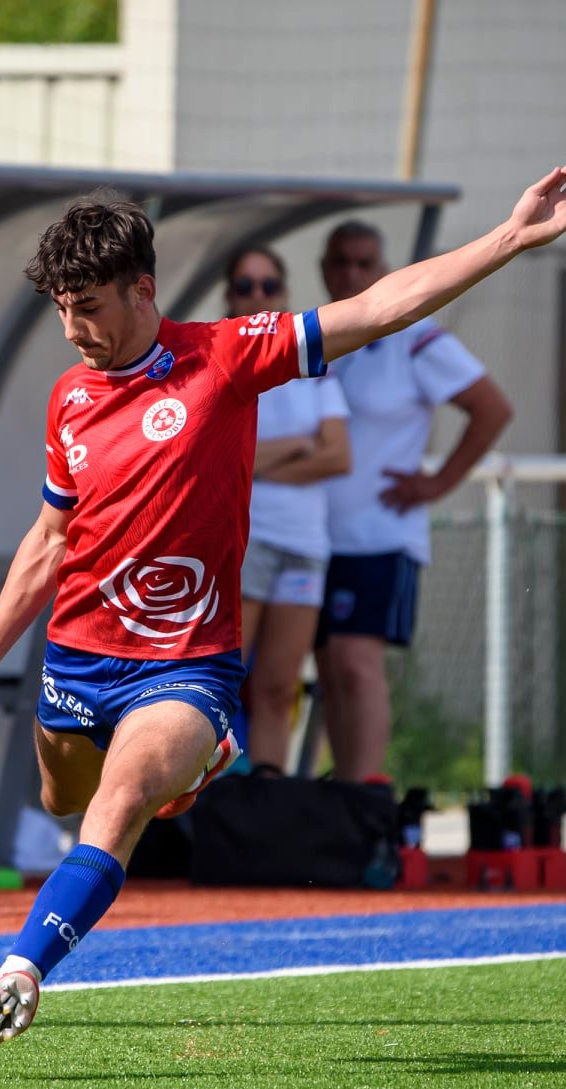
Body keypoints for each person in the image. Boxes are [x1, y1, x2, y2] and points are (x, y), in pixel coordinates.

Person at [0, 155, 566, 1065]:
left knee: (125, 798)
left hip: (185, 665)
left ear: (142, 290)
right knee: (68, 799)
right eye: (60, 309)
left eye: (87, 306)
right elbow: (50, 540)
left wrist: (508, 238)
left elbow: (378, 309)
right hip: (78, 656)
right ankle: (170, 777)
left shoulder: (225, 357)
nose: (72, 328)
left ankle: (20, 971)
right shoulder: (70, 398)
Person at [314, 220, 517, 781]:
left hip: (379, 535)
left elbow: (492, 408)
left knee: (358, 667)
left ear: (382, 270)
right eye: (342, 262)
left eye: (365, 263)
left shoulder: (415, 336)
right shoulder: (318, 340)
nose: (352, 274)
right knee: (329, 672)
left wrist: (438, 482)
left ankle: (365, 800)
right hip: (314, 537)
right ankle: (343, 800)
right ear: (325, 270)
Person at [223, 245, 351, 772]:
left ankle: (266, 802)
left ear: (286, 292)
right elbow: (226, 462)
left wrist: (259, 461)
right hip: (247, 543)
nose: (258, 296)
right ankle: (209, 800)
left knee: (278, 689)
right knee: (222, 681)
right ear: (229, 295)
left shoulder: (311, 365)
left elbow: (339, 456)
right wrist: (299, 445)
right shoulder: (221, 360)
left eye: (269, 285)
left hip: (305, 547)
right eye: (247, 286)